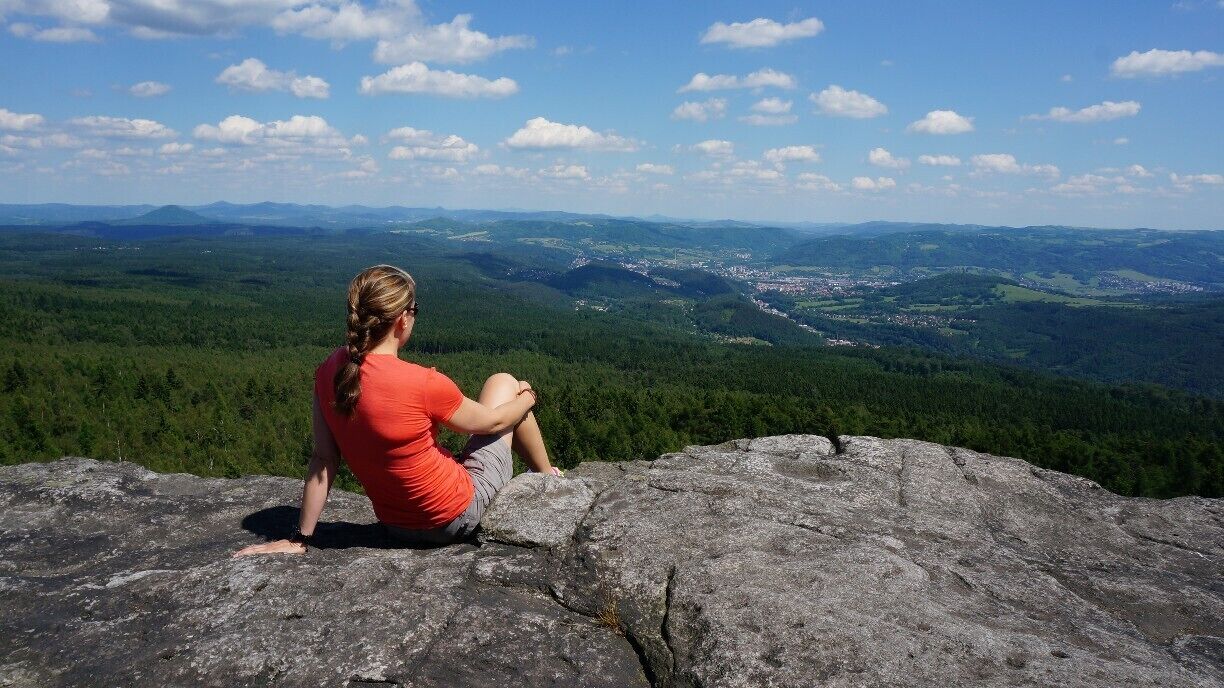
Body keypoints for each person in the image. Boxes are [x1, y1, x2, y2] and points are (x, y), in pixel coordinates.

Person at [234, 264, 559, 555]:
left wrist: (300, 538)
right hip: (455, 515)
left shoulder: (328, 373)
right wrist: (528, 396)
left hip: (394, 524)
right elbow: (494, 422)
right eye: (414, 310)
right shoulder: (422, 382)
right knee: (504, 383)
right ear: (402, 319)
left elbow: (324, 460)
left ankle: (544, 474)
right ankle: (549, 478)